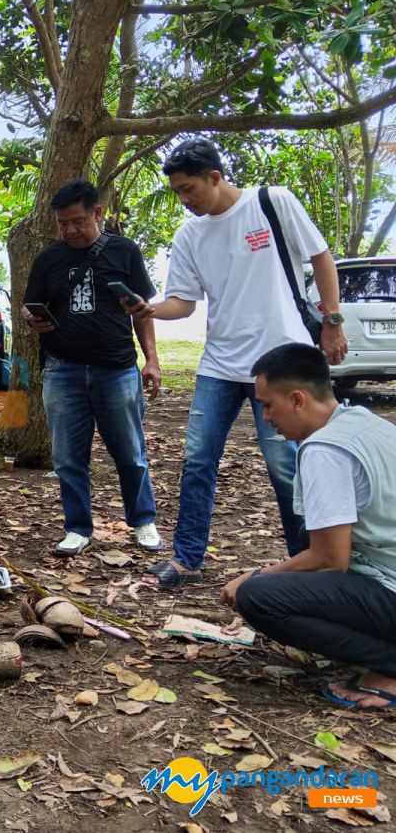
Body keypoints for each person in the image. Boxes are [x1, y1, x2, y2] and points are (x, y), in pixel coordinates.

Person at [127, 137, 349, 590]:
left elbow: (321, 257)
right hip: (219, 365)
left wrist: (333, 321)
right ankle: (188, 558)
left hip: (280, 362)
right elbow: (184, 304)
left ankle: (306, 562)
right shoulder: (189, 235)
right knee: (197, 460)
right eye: (176, 193)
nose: (184, 201)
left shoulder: (270, 202)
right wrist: (148, 309)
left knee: (286, 465)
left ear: (214, 177)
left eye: (188, 189)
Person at [223, 344, 396, 709]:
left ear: (298, 399)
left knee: (259, 597)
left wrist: (256, 575)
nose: (265, 417)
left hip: (390, 584)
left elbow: (332, 560)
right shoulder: (362, 420)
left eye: (268, 404)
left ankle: (389, 667)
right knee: (303, 542)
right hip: (385, 566)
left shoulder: (324, 450)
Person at [23, 179, 162, 558]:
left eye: (78, 221)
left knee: (130, 452)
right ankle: (78, 527)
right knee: (68, 457)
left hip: (116, 369)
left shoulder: (125, 251)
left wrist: (151, 359)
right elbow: (30, 304)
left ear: (98, 213)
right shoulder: (49, 258)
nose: (70, 230)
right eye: (63, 223)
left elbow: (143, 312)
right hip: (63, 370)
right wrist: (32, 318)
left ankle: (143, 520)